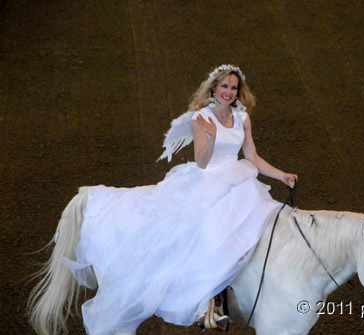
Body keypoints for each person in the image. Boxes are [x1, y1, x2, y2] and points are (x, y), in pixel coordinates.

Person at [57, 64, 297, 334]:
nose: (229, 92)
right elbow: (202, 162)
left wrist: (281, 176)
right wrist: (211, 135)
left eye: (234, 87)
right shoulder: (201, 118)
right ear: (214, 88)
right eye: (224, 86)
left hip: (238, 178)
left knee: (255, 228)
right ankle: (207, 303)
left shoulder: (242, 118)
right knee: (208, 231)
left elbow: (251, 157)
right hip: (208, 180)